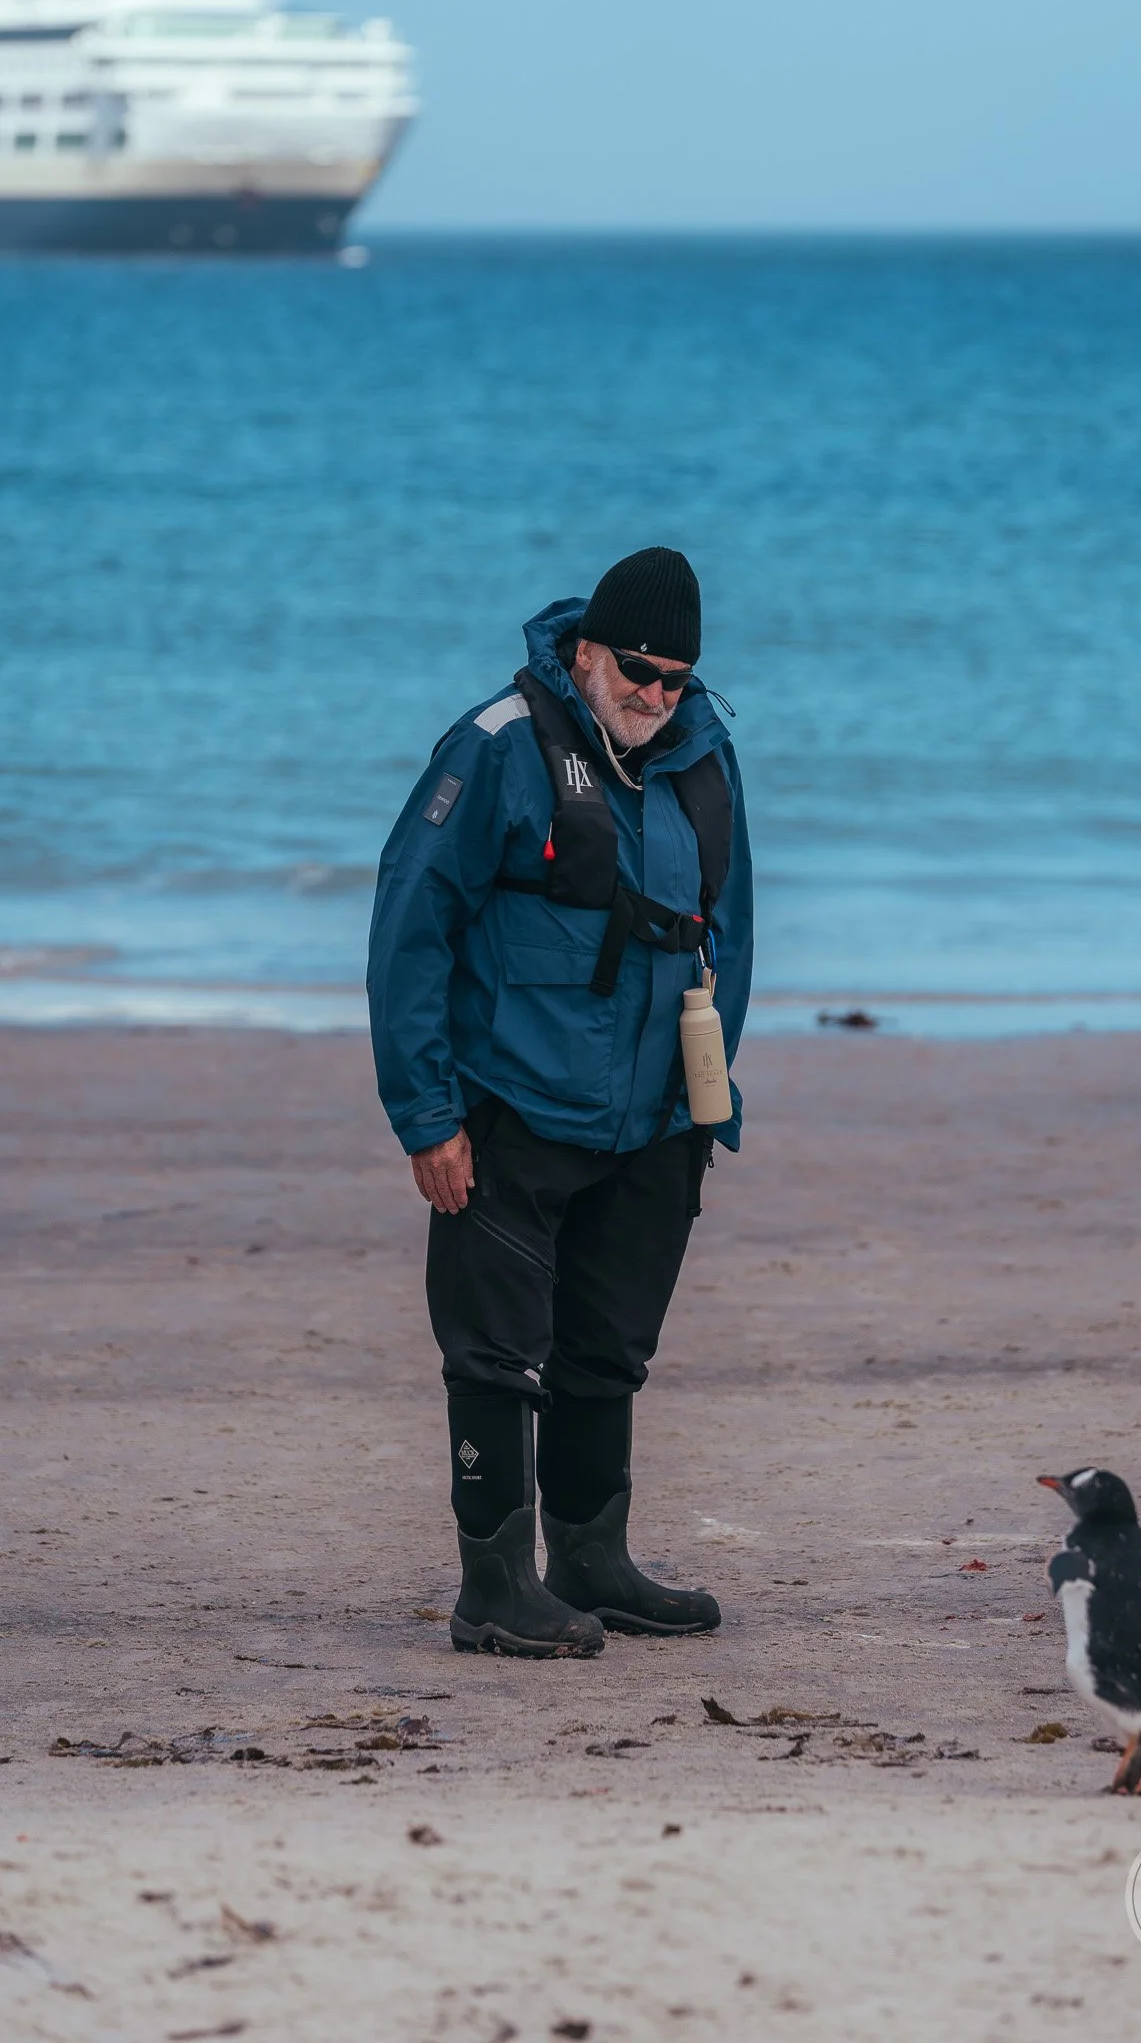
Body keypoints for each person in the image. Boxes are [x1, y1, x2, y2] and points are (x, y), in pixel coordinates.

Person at [367, 548, 753, 1657]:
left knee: (607, 1352)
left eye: (677, 677)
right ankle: (494, 1584)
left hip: (655, 1119)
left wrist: (708, 1103)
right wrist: (426, 1115)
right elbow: (408, 928)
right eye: (637, 668)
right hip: (511, 1112)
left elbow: (736, 935)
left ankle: (594, 1559)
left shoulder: (703, 758)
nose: (655, 694)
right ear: (586, 649)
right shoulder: (493, 745)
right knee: (494, 1355)